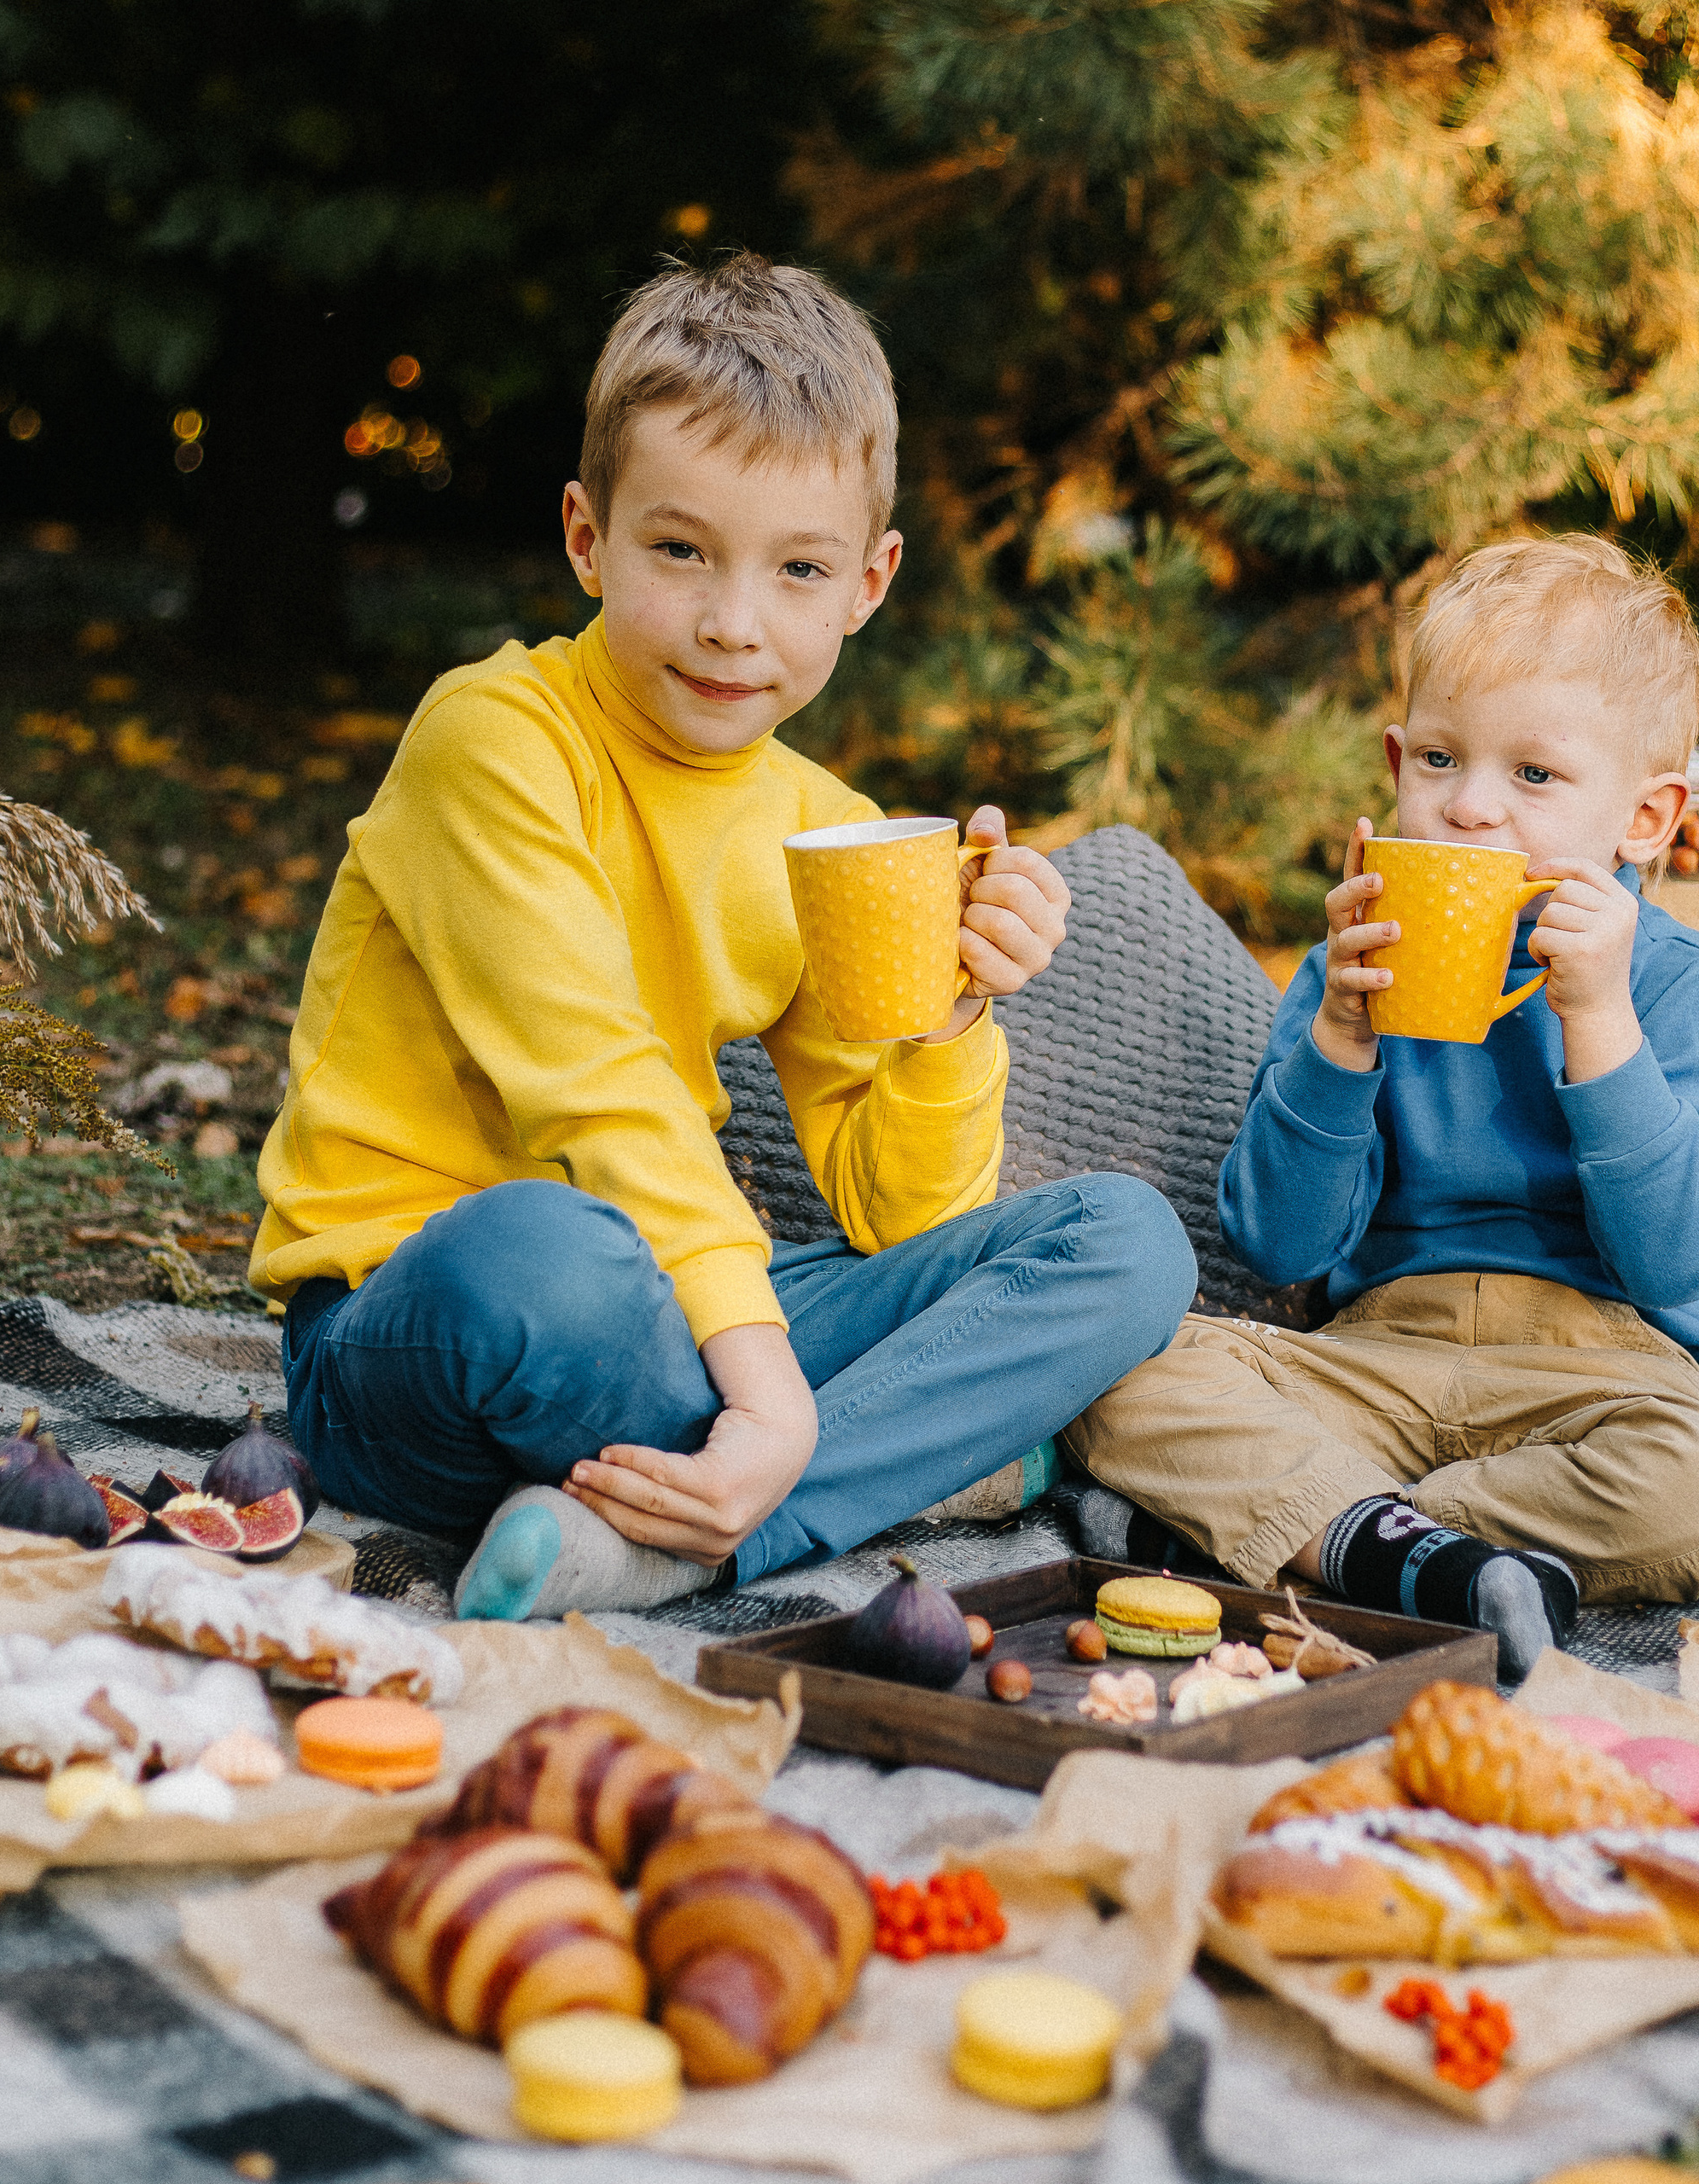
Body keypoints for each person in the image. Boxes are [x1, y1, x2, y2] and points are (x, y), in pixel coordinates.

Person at [251, 254, 1196, 1620]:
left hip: (685, 1324)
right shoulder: (495, 737)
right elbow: (600, 1087)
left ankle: (690, 1531)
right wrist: (767, 1389)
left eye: (798, 569)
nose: (732, 623)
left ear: (867, 584)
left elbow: (897, 1215)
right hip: (423, 1322)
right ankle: (876, 1449)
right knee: (556, 1256)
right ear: (587, 537)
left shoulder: (828, 830)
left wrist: (952, 1019)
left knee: (1126, 1242)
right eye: (679, 550)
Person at [1064, 537, 1699, 1679]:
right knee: (1122, 1367)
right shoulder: (1344, 974)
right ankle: (1415, 1553)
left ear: (1644, 821)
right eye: (1441, 760)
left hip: (1601, 1372)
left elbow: (1680, 1262)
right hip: (1381, 1352)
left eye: (1535, 777)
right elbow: (1280, 1239)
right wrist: (1342, 1036)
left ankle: (1325, 1530)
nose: (1470, 809)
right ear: (1397, 762)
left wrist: (1599, 1022)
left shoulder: (1689, 990)